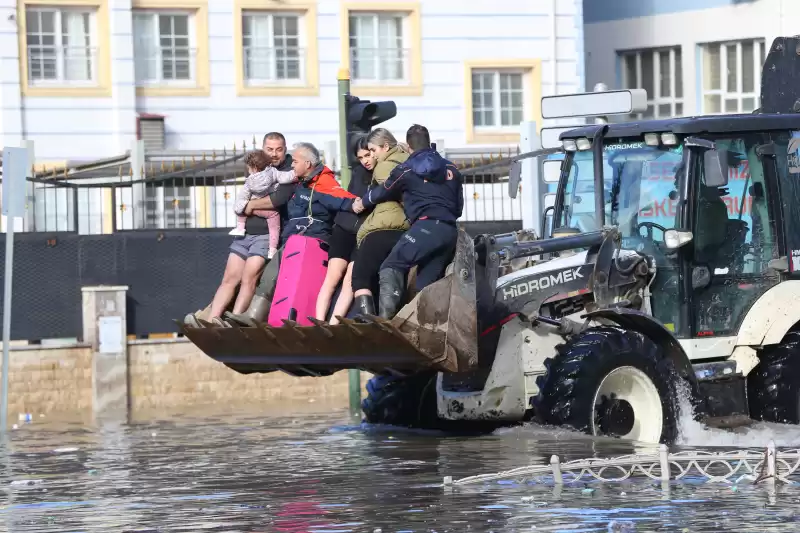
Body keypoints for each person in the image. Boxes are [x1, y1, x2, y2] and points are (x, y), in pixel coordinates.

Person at [226, 142, 357, 325]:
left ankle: (256, 316)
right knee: (270, 273)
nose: (292, 165)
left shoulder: (324, 183)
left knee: (274, 272)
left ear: (308, 164)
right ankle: (257, 316)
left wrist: (364, 202)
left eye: (295, 161)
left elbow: (345, 200)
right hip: (293, 239)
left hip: (311, 240)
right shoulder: (299, 182)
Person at [183, 132, 296, 328]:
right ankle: (211, 320)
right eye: (270, 149)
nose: (274, 154)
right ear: (263, 149)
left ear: (285, 150)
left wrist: (249, 205)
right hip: (245, 235)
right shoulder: (257, 168)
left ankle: (232, 320)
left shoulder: (284, 171)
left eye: (279, 149)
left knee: (249, 277)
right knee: (229, 278)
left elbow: (278, 200)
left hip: (266, 236)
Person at [353, 124, 464, 319]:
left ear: (409, 147)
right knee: (424, 285)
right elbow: (458, 208)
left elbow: (384, 190)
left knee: (392, 265)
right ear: (429, 143)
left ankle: (385, 322)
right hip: (449, 232)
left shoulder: (405, 169)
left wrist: (363, 202)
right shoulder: (452, 169)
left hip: (425, 226)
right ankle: (425, 329)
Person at [348, 128, 410, 317]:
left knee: (360, 277)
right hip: (406, 229)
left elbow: (393, 188)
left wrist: (366, 200)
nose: (371, 156)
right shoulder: (407, 160)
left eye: (373, 150)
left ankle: (369, 319)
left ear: (385, 146)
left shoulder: (385, 166)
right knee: (388, 271)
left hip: (384, 226)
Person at [314, 135, 375, 325]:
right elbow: (354, 199)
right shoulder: (358, 173)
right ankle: (319, 321)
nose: (365, 160)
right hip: (344, 227)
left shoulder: (385, 173)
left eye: (368, 155)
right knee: (332, 276)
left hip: (364, 232)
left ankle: (334, 324)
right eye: (361, 157)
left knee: (350, 279)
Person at [228, 151, 297, 260]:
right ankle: (272, 249)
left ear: (254, 168)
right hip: (267, 210)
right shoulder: (273, 172)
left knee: (242, 205)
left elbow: (243, 195)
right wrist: (295, 174)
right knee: (274, 223)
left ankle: (240, 228)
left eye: (249, 168)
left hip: (252, 206)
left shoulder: (249, 180)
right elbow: (286, 177)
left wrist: (241, 207)